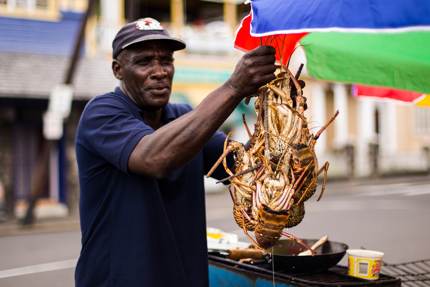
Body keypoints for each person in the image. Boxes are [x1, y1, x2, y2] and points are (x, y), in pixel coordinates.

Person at [75, 17, 276, 287]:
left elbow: (246, 165)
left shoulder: (183, 117)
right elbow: (154, 158)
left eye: (166, 60)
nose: (159, 71)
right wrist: (234, 88)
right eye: (144, 61)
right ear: (118, 69)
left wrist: (277, 114)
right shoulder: (101, 113)